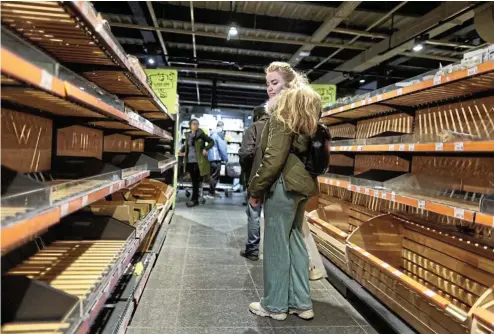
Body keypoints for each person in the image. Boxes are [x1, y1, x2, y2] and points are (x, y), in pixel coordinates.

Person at [248, 62, 320, 321]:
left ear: (288, 83)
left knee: (276, 246)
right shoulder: (304, 112)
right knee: (295, 243)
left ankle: (275, 306)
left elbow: (274, 158)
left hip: (282, 185)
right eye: (267, 83)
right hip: (301, 185)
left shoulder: (282, 113)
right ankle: (302, 303)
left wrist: (256, 189)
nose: (269, 88)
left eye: (274, 82)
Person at [238, 105, 269, 261]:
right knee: (272, 216)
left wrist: (246, 170)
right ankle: (273, 252)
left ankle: (253, 249)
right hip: (276, 179)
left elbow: (245, 153)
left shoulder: (254, 128)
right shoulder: (279, 128)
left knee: (254, 213)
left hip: (256, 178)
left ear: (256, 116)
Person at [181, 119, 214, 207]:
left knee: (196, 182)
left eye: (197, 124)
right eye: (194, 124)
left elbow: (212, 141)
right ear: (190, 125)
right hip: (189, 162)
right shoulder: (188, 135)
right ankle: (196, 198)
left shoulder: (201, 135)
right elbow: (187, 146)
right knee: (194, 181)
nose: (195, 126)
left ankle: (194, 200)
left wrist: (205, 149)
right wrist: (180, 151)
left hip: (199, 162)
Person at [207, 121, 228, 199]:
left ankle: (212, 190)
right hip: (216, 157)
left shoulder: (212, 133)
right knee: (215, 175)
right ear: (222, 126)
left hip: (211, 157)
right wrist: (225, 158)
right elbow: (222, 148)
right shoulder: (219, 134)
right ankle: (211, 193)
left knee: (213, 175)